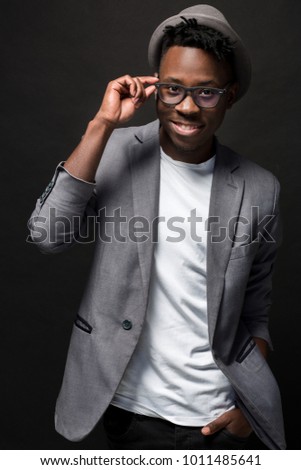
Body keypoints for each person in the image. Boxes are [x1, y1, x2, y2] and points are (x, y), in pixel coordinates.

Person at [28, 4, 286, 450]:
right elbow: (47, 235)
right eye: (172, 90)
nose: (186, 107)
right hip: (128, 409)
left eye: (206, 93)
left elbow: (255, 313)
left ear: (230, 94)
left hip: (215, 418)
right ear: (156, 88)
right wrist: (102, 125)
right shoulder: (114, 150)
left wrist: (246, 408)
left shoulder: (260, 189)